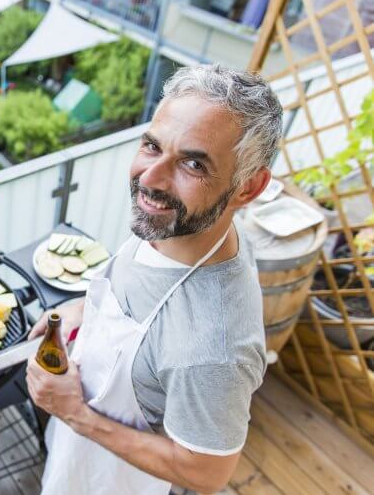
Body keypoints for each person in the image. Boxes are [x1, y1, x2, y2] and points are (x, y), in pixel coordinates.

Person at [26, 64, 283, 494]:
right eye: (151, 145)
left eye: (193, 164)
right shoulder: (181, 225)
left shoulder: (214, 348)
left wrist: (75, 414)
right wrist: (87, 309)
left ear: (247, 189)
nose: (149, 179)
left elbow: (206, 471)